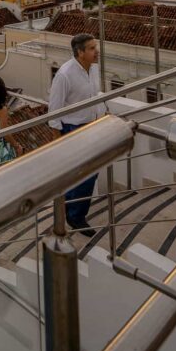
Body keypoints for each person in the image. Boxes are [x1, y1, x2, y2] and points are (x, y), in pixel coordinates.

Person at [48, 33, 105, 237]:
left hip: (92, 127)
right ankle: (76, 216)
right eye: (91, 48)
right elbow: (54, 109)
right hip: (73, 130)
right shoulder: (64, 74)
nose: (96, 51)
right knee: (84, 175)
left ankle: (70, 210)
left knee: (90, 173)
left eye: (94, 47)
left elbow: (94, 96)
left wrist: (103, 115)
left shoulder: (94, 69)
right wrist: (58, 138)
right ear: (80, 52)